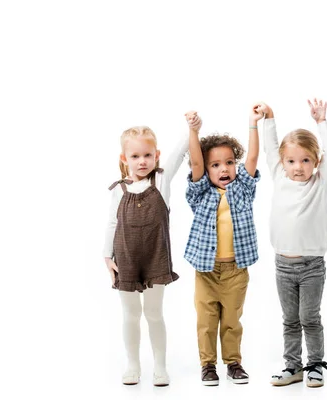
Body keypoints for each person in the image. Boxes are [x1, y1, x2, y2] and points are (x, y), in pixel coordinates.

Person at [103, 123, 192, 386]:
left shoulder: (161, 180)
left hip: (155, 256)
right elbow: (112, 223)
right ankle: (133, 365)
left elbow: (178, 152)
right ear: (124, 159)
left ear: (156, 156)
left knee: (154, 313)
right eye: (135, 156)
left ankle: (160, 367)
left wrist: (191, 128)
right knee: (130, 313)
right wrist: (107, 257)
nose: (142, 161)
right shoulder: (118, 190)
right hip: (126, 257)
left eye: (147, 155)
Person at [184, 106, 263, 386]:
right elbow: (194, 163)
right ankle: (208, 365)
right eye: (215, 165)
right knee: (206, 321)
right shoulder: (200, 192)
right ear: (207, 170)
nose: (223, 169)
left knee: (232, 320)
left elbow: (252, 157)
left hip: (235, 270)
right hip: (206, 270)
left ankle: (233, 362)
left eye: (228, 162)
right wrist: (194, 131)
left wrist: (253, 123)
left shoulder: (243, 188)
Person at [262, 99, 327, 388]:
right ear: (283, 163)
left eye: (306, 160)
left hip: (311, 266)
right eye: (292, 161)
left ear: (315, 162)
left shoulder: (319, 183)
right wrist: (269, 118)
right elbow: (270, 147)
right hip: (282, 265)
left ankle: (315, 365)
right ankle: (293, 367)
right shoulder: (279, 176)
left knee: (309, 317)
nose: (298, 167)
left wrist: (321, 121)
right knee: (290, 320)